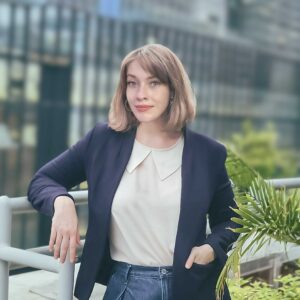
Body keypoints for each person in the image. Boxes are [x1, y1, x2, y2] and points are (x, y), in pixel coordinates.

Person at [28, 44, 239, 300]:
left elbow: (230, 220)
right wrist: (62, 203)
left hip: (192, 286)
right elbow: (43, 180)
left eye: (153, 83)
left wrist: (210, 248)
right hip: (126, 287)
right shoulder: (102, 141)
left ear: (173, 89)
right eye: (132, 83)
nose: (141, 94)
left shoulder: (208, 153)